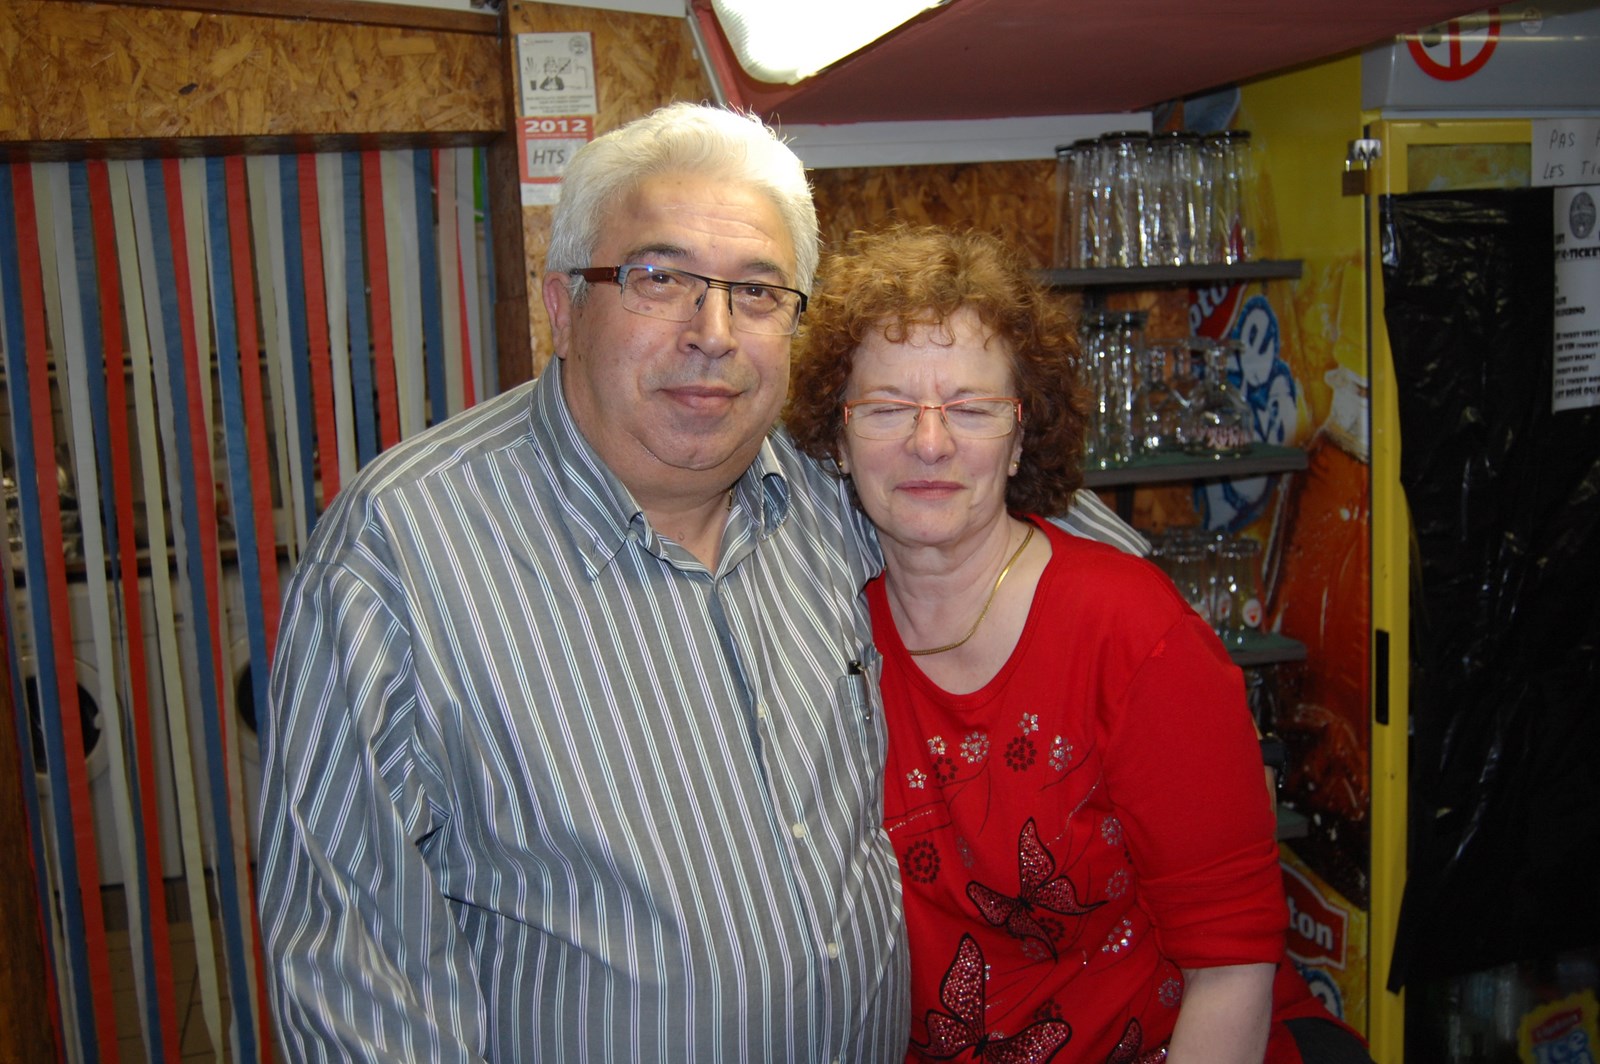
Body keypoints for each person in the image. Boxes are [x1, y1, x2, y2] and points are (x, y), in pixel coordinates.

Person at [256, 104, 1141, 1060]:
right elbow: (352, 971)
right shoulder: (404, 547)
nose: (712, 333)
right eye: (660, 278)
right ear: (564, 307)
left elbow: (1074, 545)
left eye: (757, 292)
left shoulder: (842, 478)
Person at [786, 223, 1373, 1063]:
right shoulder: (827, 642)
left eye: (972, 409)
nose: (930, 441)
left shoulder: (1133, 633)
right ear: (836, 442)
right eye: (886, 408)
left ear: (1022, 437)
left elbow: (1232, 964)